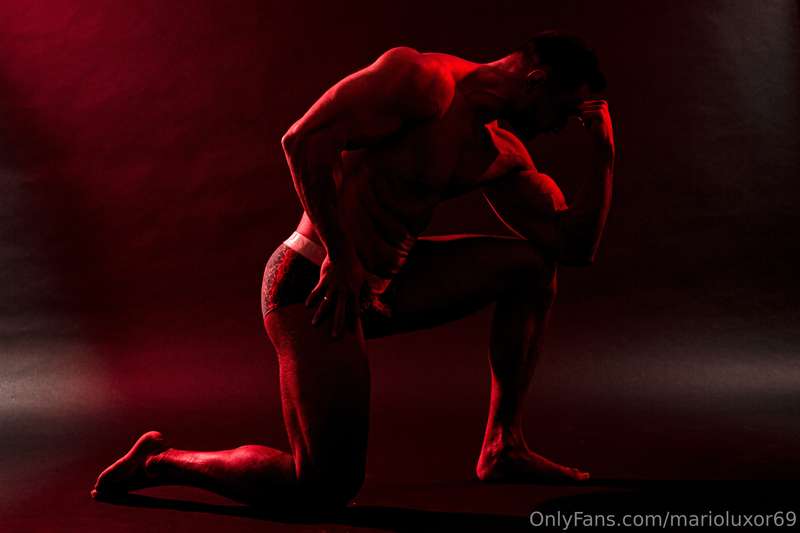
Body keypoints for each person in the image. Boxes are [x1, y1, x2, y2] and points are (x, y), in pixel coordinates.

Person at [92, 30, 614, 509]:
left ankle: (503, 445)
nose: (558, 128)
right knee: (323, 487)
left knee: (531, 266)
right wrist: (342, 259)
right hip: (313, 282)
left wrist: (604, 153)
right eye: (564, 112)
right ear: (537, 80)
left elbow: (572, 247)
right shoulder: (422, 80)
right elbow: (302, 141)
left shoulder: (500, 150)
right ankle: (161, 460)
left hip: (381, 287)